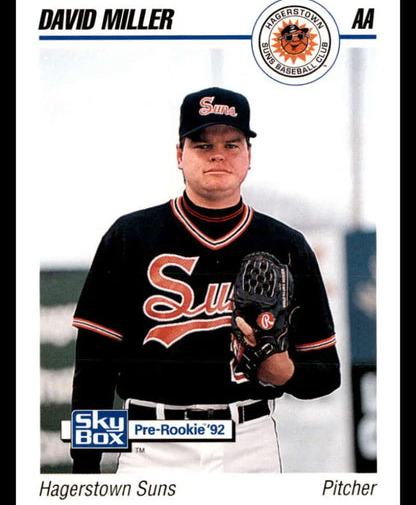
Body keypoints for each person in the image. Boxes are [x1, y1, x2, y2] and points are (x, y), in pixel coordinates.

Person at [71, 86, 341, 474]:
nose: (218, 154)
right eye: (202, 144)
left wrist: (287, 373)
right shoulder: (130, 237)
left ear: (249, 157)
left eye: (232, 144)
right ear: (179, 155)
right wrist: (85, 467)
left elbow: (326, 372)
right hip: (151, 441)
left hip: (248, 438)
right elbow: (94, 366)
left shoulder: (286, 245)